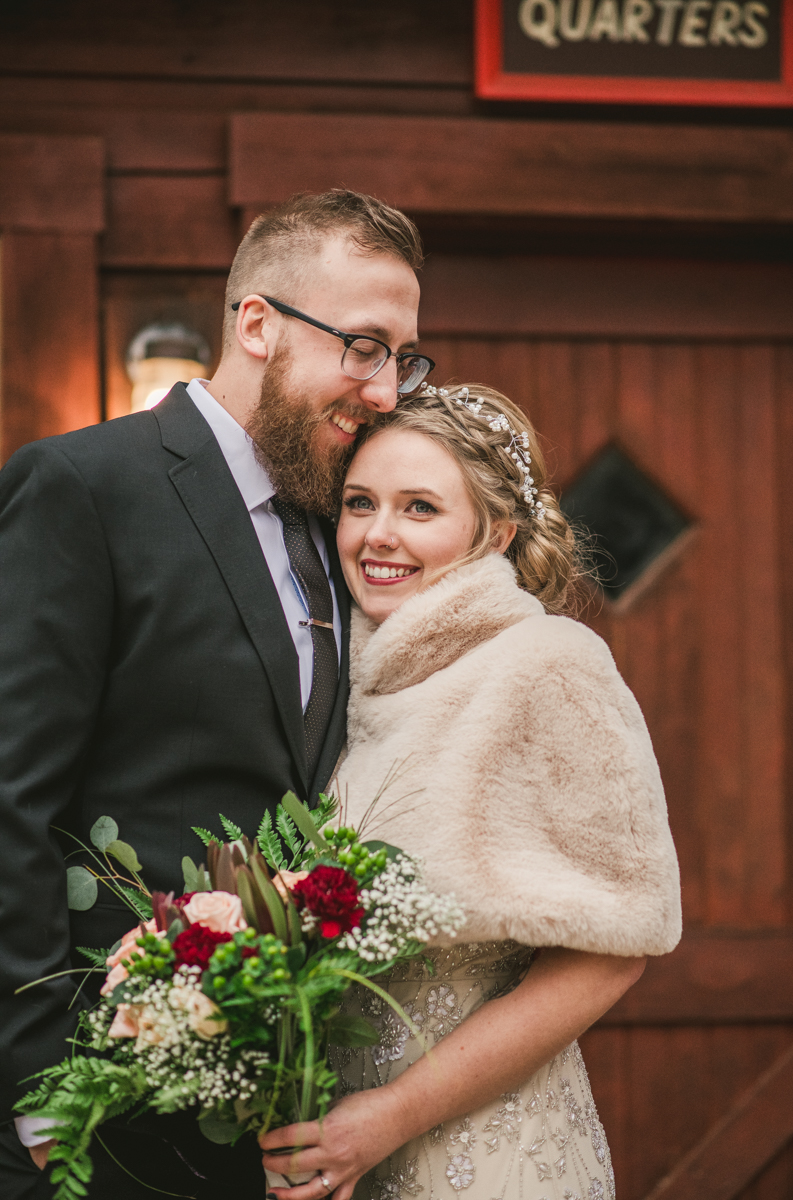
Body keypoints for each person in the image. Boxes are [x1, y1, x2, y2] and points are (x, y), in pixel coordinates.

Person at [0, 189, 432, 1199]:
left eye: (404, 359)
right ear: (256, 324)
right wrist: (39, 1091)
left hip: (271, 1122)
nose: (384, 391)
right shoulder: (83, 486)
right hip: (86, 1114)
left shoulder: (343, 521)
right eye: (363, 347)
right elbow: (9, 802)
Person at [259, 384, 682, 1200]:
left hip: (486, 1156)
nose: (379, 534)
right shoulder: (347, 677)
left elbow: (617, 950)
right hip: (340, 1157)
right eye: (360, 503)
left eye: (420, 508)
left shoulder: (550, 663)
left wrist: (389, 1117)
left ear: (495, 531)